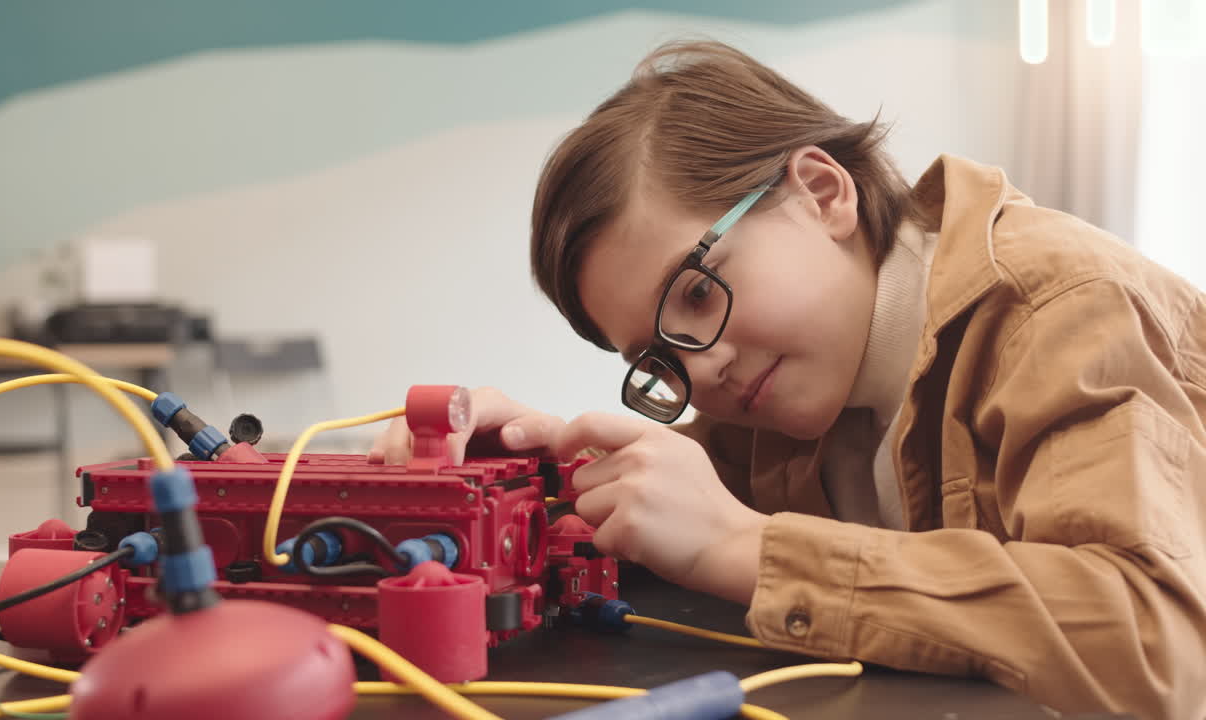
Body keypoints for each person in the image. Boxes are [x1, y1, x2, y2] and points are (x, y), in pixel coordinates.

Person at [369, 40, 1206, 719]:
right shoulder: (783, 386)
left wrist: (746, 547)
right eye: (656, 360)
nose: (704, 372)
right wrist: (510, 476)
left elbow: (1157, 646)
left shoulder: (1060, 308)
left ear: (820, 190)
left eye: (696, 291)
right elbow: (669, 508)